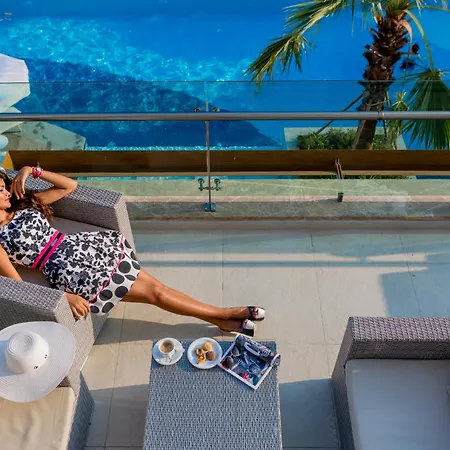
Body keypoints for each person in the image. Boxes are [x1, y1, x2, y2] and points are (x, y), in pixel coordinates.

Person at [0, 166, 265, 335]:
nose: (6, 192)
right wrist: (65, 297)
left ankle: (220, 320)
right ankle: (224, 314)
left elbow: (69, 186)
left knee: (159, 288)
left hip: (90, 248)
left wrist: (30, 170)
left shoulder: (24, 203)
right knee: (157, 294)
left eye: (4, 186)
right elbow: (20, 286)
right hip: (73, 273)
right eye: (0, 190)